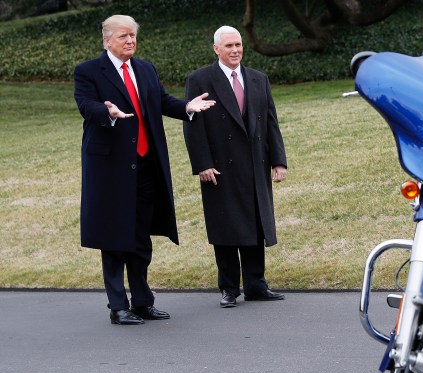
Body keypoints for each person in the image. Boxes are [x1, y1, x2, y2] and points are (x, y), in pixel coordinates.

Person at [74, 15, 216, 325]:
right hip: (110, 171)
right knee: (113, 238)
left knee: (140, 237)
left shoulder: (145, 69)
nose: (130, 41)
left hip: (146, 166)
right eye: (123, 36)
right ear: (107, 40)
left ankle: (142, 302)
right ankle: (117, 306)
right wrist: (106, 111)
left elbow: (161, 101)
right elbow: (86, 104)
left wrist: (187, 108)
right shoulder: (88, 71)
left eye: (133, 36)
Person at [184, 25, 288, 308]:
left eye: (238, 45)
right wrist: (202, 163)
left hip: (255, 164)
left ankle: (256, 284)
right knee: (226, 227)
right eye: (228, 46)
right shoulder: (200, 79)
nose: (235, 50)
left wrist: (278, 160)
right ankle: (229, 288)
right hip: (219, 167)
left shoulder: (258, 79)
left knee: (255, 225)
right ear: (216, 49)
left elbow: (270, 122)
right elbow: (192, 125)